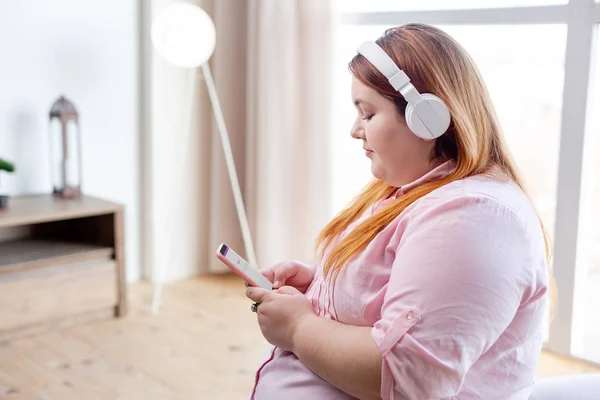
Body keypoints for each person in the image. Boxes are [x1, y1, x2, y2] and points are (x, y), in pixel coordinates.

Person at [245, 23, 551, 400]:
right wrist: (320, 285)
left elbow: (407, 379)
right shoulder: (412, 188)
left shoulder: (473, 219)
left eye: (368, 114)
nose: (355, 130)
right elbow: (397, 291)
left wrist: (297, 328)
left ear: (427, 118)